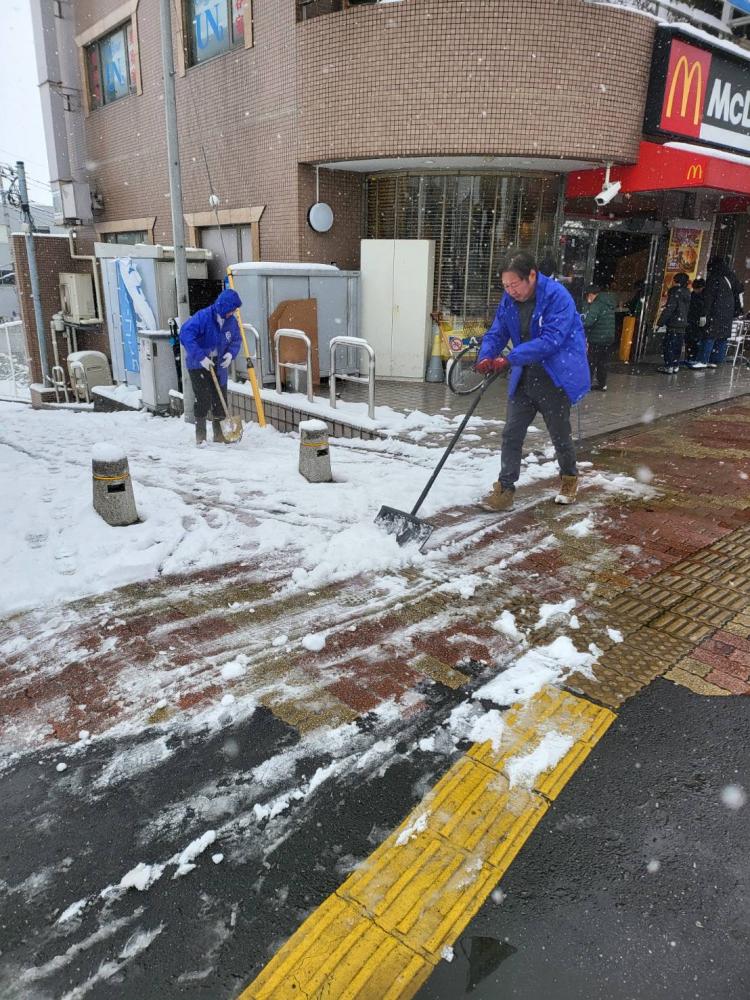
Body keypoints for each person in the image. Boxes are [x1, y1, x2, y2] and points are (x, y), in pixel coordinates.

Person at [474, 251, 590, 510]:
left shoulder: (557, 297)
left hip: (554, 376)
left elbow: (551, 340)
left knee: (560, 434)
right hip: (524, 375)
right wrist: (486, 356)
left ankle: (569, 478)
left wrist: (509, 359)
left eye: (514, 285)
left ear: (532, 276)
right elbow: (497, 332)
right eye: (505, 286)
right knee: (511, 434)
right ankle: (505, 488)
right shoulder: (508, 300)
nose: (510, 291)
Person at [179, 287, 243, 445]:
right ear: (224, 307)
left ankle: (219, 435)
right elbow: (185, 334)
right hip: (198, 364)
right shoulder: (204, 317)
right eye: (231, 310)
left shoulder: (231, 322)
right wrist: (201, 357)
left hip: (219, 364)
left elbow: (236, 339)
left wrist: (230, 354)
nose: (233, 313)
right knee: (204, 398)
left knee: (220, 400)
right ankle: (200, 435)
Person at [692, 256, 743, 369]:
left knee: (709, 336)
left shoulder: (714, 278)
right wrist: (736, 311)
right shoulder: (731, 276)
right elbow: (739, 292)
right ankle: (715, 360)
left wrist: (704, 314)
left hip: (715, 312)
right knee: (722, 337)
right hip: (728, 313)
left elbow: (708, 299)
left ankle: (702, 360)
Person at [582, 284, 617, 391]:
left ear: (591, 294)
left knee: (591, 362)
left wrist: (581, 320)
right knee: (603, 363)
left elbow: (588, 322)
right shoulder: (608, 303)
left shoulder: (596, 304)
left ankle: (586, 384)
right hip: (608, 338)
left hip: (597, 338)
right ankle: (602, 384)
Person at [655, 272, 690, 375]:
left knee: (669, 345)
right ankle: (675, 365)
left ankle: (669, 366)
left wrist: (660, 322)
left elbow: (670, 308)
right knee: (677, 346)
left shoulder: (675, 292)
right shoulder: (687, 292)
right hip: (682, 323)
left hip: (674, 323)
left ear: (675, 281)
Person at [684, 278, 706, 366]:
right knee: (694, 342)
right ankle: (692, 358)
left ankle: (690, 358)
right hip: (696, 323)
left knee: (691, 342)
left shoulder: (692, 296)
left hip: (692, 322)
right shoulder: (703, 297)